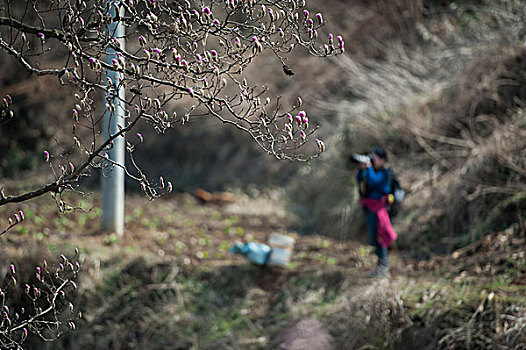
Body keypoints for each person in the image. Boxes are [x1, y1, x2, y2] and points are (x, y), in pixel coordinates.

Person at [355, 146, 397, 277]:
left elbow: (375, 181)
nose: (373, 159)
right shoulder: (371, 170)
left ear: (382, 160)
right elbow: (359, 179)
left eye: (375, 157)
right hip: (369, 207)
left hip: (380, 208)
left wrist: (368, 168)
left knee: (381, 235)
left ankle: (383, 265)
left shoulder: (385, 173)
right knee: (373, 236)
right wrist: (362, 168)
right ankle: (380, 264)